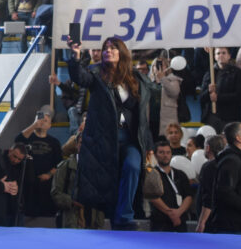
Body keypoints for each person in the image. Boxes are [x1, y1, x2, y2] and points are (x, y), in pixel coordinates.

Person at [67, 37, 153, 229]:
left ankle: (124, 215)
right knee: (110, 180)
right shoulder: (96, 73)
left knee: (132, 166)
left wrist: (148, 145)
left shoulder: (135, 78)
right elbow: (79, 77)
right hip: (104, 139)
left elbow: (142, 118)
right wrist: (75, 56)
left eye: (113, 48)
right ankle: (116, 219)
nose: (108, 51)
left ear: (121, 52)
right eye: (105, 48)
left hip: (130, 139)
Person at [205, 122, 241, 234]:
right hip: (232, 227)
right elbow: (225, 192)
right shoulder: (231, 161)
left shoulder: (240, 159)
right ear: (238, 138)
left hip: (240, 224)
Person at [15, 106, 63, 222]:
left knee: (46, 215)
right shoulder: (28, 137)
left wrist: (49, 174)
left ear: (50, 126)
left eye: (46, 121)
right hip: (28, 182)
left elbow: (59, 164)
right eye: (41, 119)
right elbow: (18, 140)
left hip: (46, 183)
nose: (42, 122)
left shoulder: (54, 142)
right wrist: (34, 125)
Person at [147, 139, 194, 232]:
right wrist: (170, 213)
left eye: (168, 152)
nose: (165, 155)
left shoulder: (181, 174)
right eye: (161, 152)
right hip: (160, 222)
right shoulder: (151, 174)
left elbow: (188, 196)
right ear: (155, 155)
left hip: (180, 220)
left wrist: (178, 213)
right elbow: (153, 197)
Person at [200, 47, 241, 131]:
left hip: (230, 116)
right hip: (212, 116)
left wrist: (219, 97)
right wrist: (208, 92)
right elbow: (202, 97)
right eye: (218, 53)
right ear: (214, 57)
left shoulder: (237, 72)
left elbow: (239, 95)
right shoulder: (210, 73)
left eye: (224, 53)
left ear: (229, 56)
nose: (221, 55)